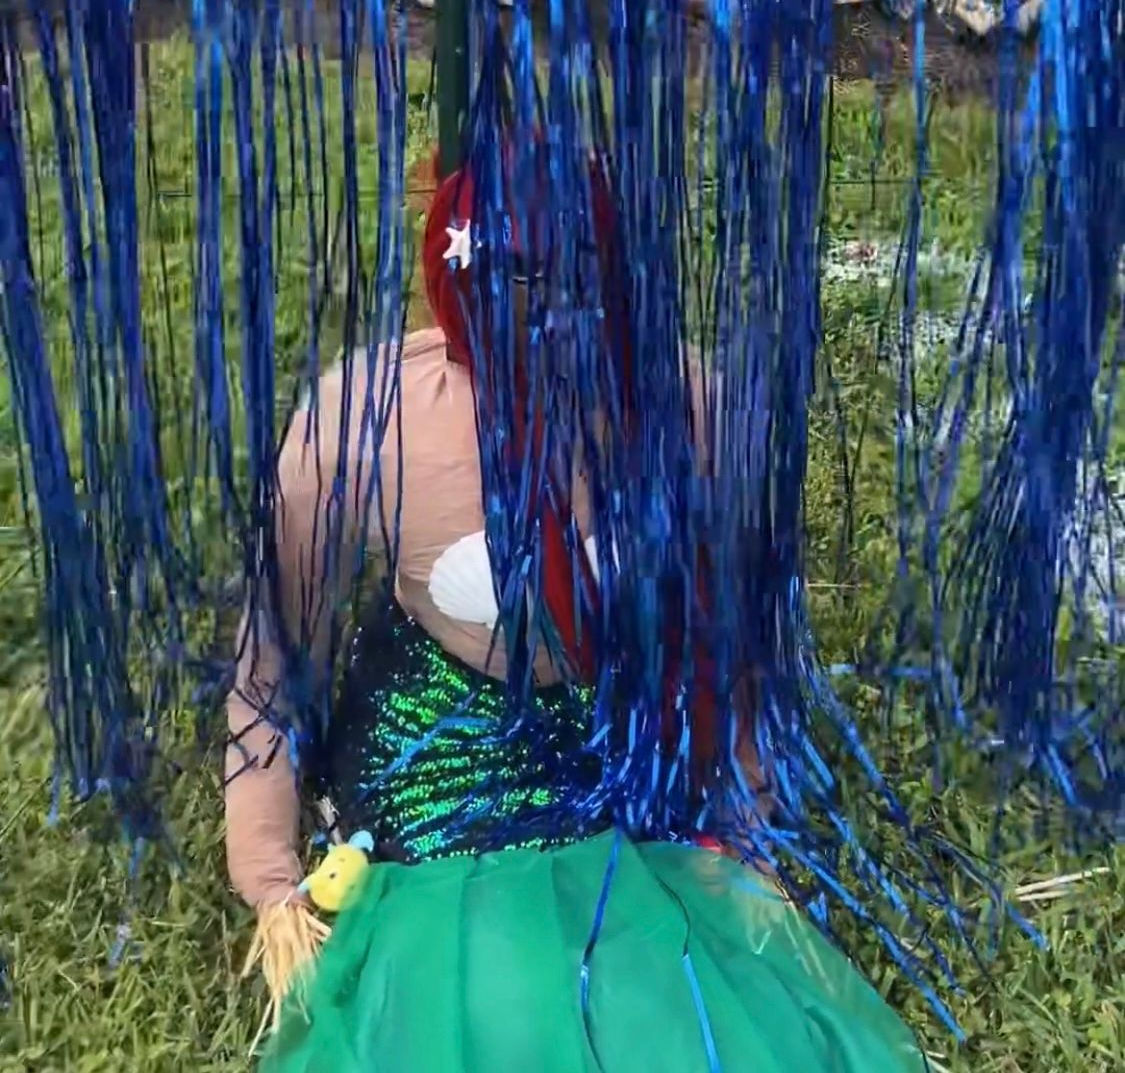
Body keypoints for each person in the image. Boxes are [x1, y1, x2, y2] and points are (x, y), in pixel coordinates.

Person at [225, 147, 925, 1071]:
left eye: (579, 281)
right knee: (479, 993)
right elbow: (273, 660)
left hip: (630, 729)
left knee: (671, 996)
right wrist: (270, 875)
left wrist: (745, 826)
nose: (551, 320)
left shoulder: (692, 414)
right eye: (521, 284)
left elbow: (737, 647)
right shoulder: (365, 425)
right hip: (446, 744)